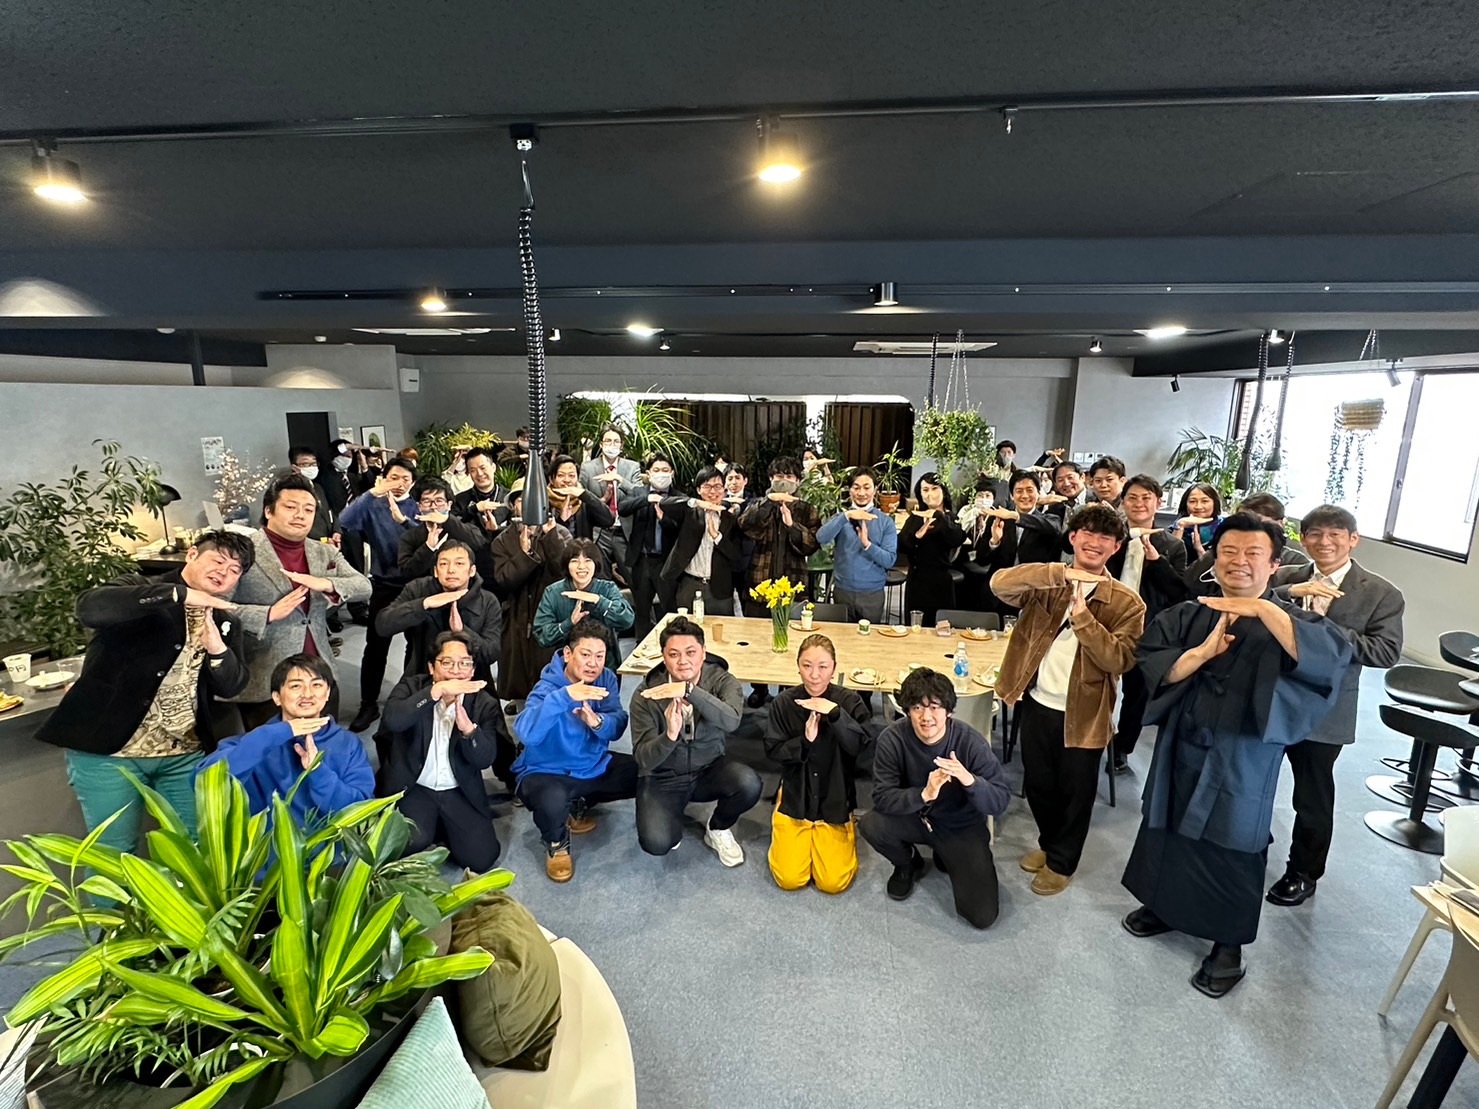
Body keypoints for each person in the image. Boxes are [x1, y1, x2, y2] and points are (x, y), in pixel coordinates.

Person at [1121, 513, 1353, 998]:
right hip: (1182, 739)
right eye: (1228, 551)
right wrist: (1200, 654)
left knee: (1234, 839)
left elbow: (1329, 661)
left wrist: (1266, 611)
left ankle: (1228, 947)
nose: (1239, 561)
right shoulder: (1192, 612)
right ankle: (1164, 906)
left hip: (1243, 752)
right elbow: (1153, 662)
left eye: (1253, 554)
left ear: (1274, 565)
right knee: (1166, 819)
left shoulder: (1296, 621)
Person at [36, 531, 254, 851]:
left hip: (183, 752)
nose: (224, 572)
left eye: (234, 570)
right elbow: (90, 608)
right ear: (191, 554)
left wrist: (217, 648)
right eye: (217, 560)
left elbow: (232, 685)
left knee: (197, 850)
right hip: (110, 752)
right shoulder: (141, 589)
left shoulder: (225, 620)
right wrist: (178, 595)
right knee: (113, 853)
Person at [991, 504, 1145, 895]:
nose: (1095, 542)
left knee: (1075, 794)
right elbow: (1000, 585)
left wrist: (1083, 619)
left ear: (1116, 547)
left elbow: (1120, 659)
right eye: (1087, 533)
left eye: (1105, 537)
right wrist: (1058, 574)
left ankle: (1062, 862)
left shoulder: (1127, 603)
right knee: (1038, 784)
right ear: (1073, 537)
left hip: (1085, 712)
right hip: (1037, 700)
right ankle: (1048, 844)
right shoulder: (1049, 581)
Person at [1265, 504, 1404, 907]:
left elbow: (1385, 652)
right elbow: (1258, 600)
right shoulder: (1287, 578)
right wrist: (1290, 595)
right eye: (1315, 534)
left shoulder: (1380, 593)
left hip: (1326, 708)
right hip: (1272, 698)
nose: (1324, 542)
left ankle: (1303, 872)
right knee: (1253, 780)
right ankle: (1248, 848)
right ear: (1303, 538)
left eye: (1335, 535)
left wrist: (1320, 628)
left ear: (1352, 539)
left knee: (1312, 796)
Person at [857, 668, 1010, 929]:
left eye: (935, 707)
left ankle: (945, 853)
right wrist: (924, 794)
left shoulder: (970, 742)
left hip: (960, 827)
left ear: (949, 711)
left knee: (982, 916)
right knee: (871, 824)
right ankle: (908, 864)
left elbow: (1000, 801)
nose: (926, 717)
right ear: (907, 710)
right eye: (917, 707)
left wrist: (969, 780)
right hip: (916, 818)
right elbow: (882, 797)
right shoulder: (892, 739)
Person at [229, 474, 371, 729]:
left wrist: (326, 583)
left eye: (308, 510)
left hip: (319, 672)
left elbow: (364, 586)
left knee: (323, 744)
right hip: (267, 675)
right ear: (268, 511)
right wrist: (267, 614)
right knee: (272, 749)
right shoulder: (242, 551)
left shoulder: (323, 551)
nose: (300, 515)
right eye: (290, 507)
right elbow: (216, 606)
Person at [513, 618, 637, 882]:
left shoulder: (606, 679)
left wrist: (598, 722)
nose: (593, 663)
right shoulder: (547, 687)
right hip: (547, 772)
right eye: (585, 654)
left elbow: (618, 723)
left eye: (600, 656)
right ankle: (556, 843)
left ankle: (577, 806)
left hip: (592, 765)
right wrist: (565, 696)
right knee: (551, 801)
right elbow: (525, 731)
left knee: (644, 771)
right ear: (568, 654)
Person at [629, 617, 761, 864]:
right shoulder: (646, 693)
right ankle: (670, 816)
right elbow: (644, 759)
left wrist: (690, 691)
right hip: (663, 775)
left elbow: (731, 721)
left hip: (708, 768)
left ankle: (718, 827)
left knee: (749, 784)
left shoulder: (723, 680)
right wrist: (669, 736)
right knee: (657, 843)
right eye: (674, 654)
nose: (683, 661)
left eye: (690, 652)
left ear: (703, 653)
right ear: (663, 657)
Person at [379, 631, 511, 872]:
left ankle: (441, 827)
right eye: (447, 662)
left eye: (464, 663)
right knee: (404, 845)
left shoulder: (484, 703)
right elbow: (393, 721)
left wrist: (469, 731)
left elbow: (484, 759)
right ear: (432, 667)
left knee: (482, 858)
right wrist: (434, 693)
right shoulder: (411, 687)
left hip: (458, 789)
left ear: (472, 670)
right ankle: (433, 827)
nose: (456, 671)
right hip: (415, 787)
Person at [198, 653, 374, 824]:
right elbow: (206, 782)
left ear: (327, 693)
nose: (307, 694)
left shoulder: (349, 744)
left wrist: (318, 771)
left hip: (328, 843)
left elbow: (359, 811)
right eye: (296, 686)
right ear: (277, 698)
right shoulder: (255, 741)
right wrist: (275, 734)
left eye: (317, 685)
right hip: (268, 843)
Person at [764, 634, 872, 893]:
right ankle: (783, 815)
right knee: (789, 879)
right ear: (798, 666)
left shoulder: (850, 702)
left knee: (832, 883)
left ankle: (836, 830)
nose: (814, 675)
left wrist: (835, 715)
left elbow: (863, 748)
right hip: (796, 795)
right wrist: (804, 741)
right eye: (807, 665)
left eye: (823, 666)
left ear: (834, 668)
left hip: (834, 796)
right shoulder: (783, 703)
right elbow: (772, 750)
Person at [1107, 475, 1189, 773]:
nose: (1139, 503)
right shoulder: (1112, 537)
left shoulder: (1172, 545)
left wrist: (1155, 561)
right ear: (1123, 502)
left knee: (1137, 694)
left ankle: (1122, 747)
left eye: (1146, 498)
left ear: (1158, 502)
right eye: (1132, 498)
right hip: (1107, 621)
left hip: (1147, 628)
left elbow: (1178, 592)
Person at [336, 456, 421, 731]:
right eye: (394, 477)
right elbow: (344, 521)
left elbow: (425, 539)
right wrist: (373, 492)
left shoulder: (417, 506)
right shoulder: (372, 505)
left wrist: (405, 520)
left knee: (414, 646)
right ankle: (368, 704)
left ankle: (407, 699)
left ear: (413, 483)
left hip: (415, 585)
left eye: (406, 479)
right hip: (384, 584)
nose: (400, 483)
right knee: (375, 646)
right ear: (384, 477)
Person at [738, 455, 820, 708]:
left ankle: (788, 689)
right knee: (758, 639)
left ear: (798, 480)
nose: (784, 481)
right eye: (779, 477)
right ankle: (759, 688)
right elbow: (745, 526)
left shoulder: (806, 508)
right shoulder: (759, 503)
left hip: (793, 584)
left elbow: (811, 545)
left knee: (793, 640)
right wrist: (769, 504)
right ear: (770, 479)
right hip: (760, 582)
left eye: (789, 477)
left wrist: (792, 524)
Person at [377, 538, 504, 689]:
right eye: (444, 564)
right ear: (436, 571)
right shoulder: (417, 589)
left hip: (473, 683)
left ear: (472, 571)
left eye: (459, 563)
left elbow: (491, 654)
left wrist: (462, 632)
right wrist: (424, 604)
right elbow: (383, 625)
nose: (451, 570)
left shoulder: (488, 601)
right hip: (421, 679)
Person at [490, 493, 573, 702]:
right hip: (517, 616)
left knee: (554, 681)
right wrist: (524, 554)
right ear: (513, 506)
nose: (528, 505)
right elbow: (504, 580)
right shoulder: (502, 540)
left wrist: (550, 537)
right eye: (521, 501)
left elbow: (565, 572)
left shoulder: (560, 533)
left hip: (552, 615)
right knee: (520, 680)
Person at [1183, 491, 1308, 596]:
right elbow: (1187, 584)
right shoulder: (1220, 552)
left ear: (1280, 524)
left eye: (1259, 522)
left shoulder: (1296, 562)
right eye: (1241, 521)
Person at [816, 467, 898, 623]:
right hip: (843, 590)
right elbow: (821, 537)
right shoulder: (841, 518)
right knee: (842, 635)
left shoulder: (885, 522)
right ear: (850, 490)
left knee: (869, 636)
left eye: (867, 487)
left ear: (875, 490)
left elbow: (889, 560)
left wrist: (867, 544)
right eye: (856, 487)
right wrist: (846, 516)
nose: (861, 493)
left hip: (872, 593)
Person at [660, 466, 744, 618]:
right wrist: (696, 503)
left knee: (722, 628)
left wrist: (717, 537)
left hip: (719, 587)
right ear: (698, 490)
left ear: (724, 489)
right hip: (690, 584)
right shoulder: (690, 513)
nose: (712, 491)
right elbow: (665, 503)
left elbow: (736, 555)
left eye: (717, 486)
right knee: (686, 627)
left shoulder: (730, 519)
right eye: (707, 486)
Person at [979, 470, 1065, 616]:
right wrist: (994, 542)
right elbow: (981, 559)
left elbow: (1053, 528)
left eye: (1030, 490)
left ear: (1038, 493)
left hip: (1034, 594)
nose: (1025, 496)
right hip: (999, 592)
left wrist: (1015, 516)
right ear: (1012, 496)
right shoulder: (998, 519)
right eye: (1019, 491)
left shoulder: (1050, 520)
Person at [533, 537, 635, 659]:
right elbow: (542, 636)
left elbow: (627, 620)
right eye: (575, 561)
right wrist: (569, 623)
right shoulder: (553, 592)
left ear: (596, 564)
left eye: (587, 560)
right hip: (567, 663)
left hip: (606, 663)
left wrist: (599, 601)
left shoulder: (608, 588)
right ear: (567, 564)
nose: (581, 566)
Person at [618, 452, 681, 642]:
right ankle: (641, 649)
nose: (661, 473)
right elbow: (623, 508)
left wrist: (664, 519)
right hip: (642, 561)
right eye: (656, 470)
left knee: (670, 608)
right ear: (649, 473)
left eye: (665, 470)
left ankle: (672, 645)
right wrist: (647, 499)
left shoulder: (679, 497)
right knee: (642, 610)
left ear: (672, 473)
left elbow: (681, 528)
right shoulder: (639, 492)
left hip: (667, 562)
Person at [898, 472, 967, 626]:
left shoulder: (951, 518)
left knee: (940, 627)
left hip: (940, 581)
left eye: (935, 488)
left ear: (943, 491)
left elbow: (956, 539)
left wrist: (938, 516)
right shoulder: (915, 517)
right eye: (925, 490)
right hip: (916, 580)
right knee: (915, 626)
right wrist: (917, 536)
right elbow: (902, 545)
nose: (930, 494)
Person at [579, 425, 641, 578]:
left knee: (633, 577)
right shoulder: (588, 468)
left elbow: (640, 495)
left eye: (616, 441)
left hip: (624, 530)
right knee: (601, 577)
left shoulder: (632, 467)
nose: (611, 445)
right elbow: (582, 500)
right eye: (607, 441)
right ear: (601, 444)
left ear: (621, 445)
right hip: (599, 531)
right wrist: (603, 500)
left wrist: (620, 480)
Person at [396, 477, 486, 581]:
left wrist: (447, 520)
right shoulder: (409, 536)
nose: (433, 507)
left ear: (449, 505)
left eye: (439, 501)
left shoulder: (466, 529)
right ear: (419, 506)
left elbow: (478, 545)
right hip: (425, 588)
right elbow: (406, 572)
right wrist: (428, 547)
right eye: (427, 501)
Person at [450, 446, 510, 584]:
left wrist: (497, 529)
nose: (479, 473)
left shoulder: (509, 498)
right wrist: (474, 509)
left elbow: (518, 527)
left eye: (483, 467)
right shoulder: (460, 499)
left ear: (493, 467)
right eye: (473, 470)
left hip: (503, 565)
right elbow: (452, 524)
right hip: (471, 567)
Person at [548, 454, 616, 540]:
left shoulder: (583, 500)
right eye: (561, 475)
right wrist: (562, 520)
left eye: (571, 476)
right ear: (551, 479)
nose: (567, 480)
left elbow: (609, 520)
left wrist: (584, 494)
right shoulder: (544, 501)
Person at [288, 445, 336, 541]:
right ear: (294, 467)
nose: (311, 467)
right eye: (306, 464)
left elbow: (329, 511)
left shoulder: (318, 487)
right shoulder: (291, 491)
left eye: (314, 463)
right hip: (310, 543)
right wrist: (323, 540)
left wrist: (336, 531)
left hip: (329, 540)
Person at [1169, 482, 1222, 563]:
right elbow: (1169, 560)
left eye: (1204, 501)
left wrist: (1199, 549)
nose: (1198, 507)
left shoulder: (1224, 529)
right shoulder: (1175, 528)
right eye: (1192, 501)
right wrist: (1180, 526)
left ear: (1215, 503)